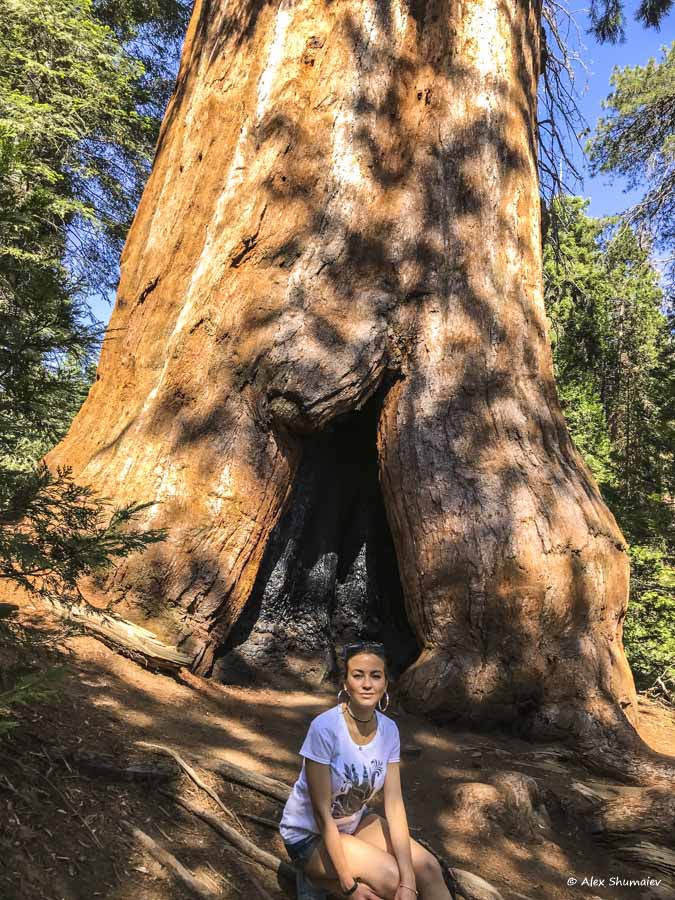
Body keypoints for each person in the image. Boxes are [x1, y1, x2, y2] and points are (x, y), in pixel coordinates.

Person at [279, 641, 454, 899]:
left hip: (354, 822)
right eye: (358, 675)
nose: (367, 684)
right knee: (390, 878)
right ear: (345, 683)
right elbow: (321, 814)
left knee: (427, 869)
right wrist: (348, 886)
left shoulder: (389, 730)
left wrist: (409, 880)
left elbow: (394, 804)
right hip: (309, 836)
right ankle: (318, 877)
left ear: (385, 683)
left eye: (375, 675)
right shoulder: (325, 729)